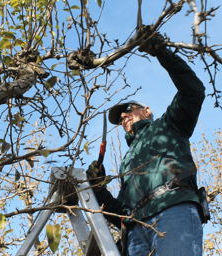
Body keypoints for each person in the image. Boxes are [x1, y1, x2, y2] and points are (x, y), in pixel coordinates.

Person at [87, 33, 208, 256]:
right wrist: (97, 188)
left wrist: (162, 53)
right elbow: (120, 212)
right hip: (135, 231)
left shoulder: (169, 124)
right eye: (119, 117)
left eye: (128, 109)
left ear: (147, 111)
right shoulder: (126, 162)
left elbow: (193, 91)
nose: (123, 115)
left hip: (173, 209)